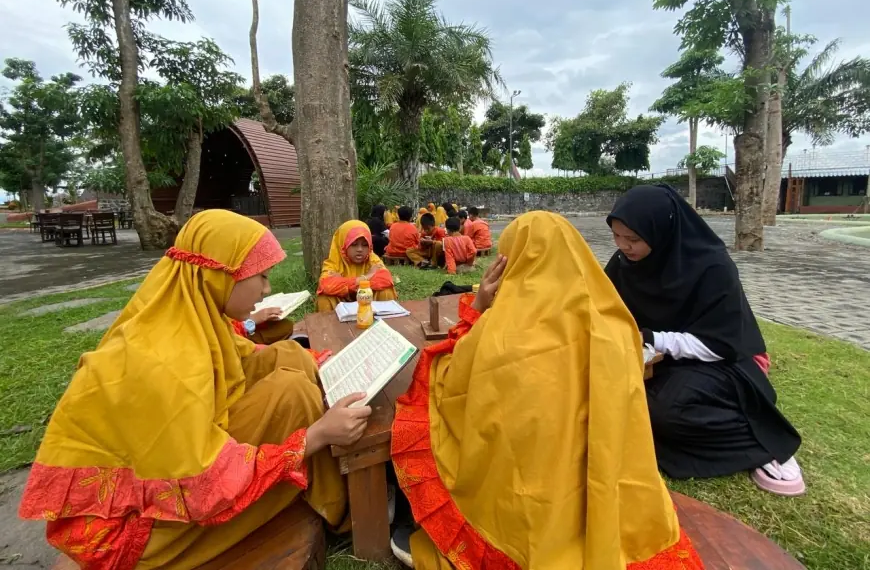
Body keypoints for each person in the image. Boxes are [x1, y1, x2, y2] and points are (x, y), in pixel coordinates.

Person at [18, 209, 373, 569]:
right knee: (292, 394)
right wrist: (314, 436)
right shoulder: (167, 362)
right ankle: (343, 503)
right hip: (135, 534)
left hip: (176, 471)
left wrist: (320, 362)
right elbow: (204, 482)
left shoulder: (188, 314)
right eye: (261, 276)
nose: (267, 289)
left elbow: (247, 359)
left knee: (290, 359)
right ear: (218, 276)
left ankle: (336, 492)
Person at [390, 212, 704, 570]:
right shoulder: (617, 325)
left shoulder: (500, 333)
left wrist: (477, 309)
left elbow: (448, 379)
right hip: (606, 482)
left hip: (530, 497)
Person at [604, 185, 804, 495]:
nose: (624, 246)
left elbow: (720, 344)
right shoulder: (623, 264)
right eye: (617, 236)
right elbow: (606, 308)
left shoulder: (711, 266)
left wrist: (652, 338)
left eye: (633, 239)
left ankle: (763, 445)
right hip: (660, 360)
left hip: (723, 362)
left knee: (665, 411)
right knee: (617, 402)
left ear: (662, 231)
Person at [316, 220, 398, 312]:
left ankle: (385, 323)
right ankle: (329, 326)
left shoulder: (372, 259)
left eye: (365, 245)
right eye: (354, 244)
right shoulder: (334, 262)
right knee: (324, 298)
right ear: (343, 245)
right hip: (342, 304)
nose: (359, 249)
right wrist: (367, 277)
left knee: (386, 291)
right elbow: (326, 285)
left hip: (369, 301)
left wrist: (343, 283)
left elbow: (386, 279)